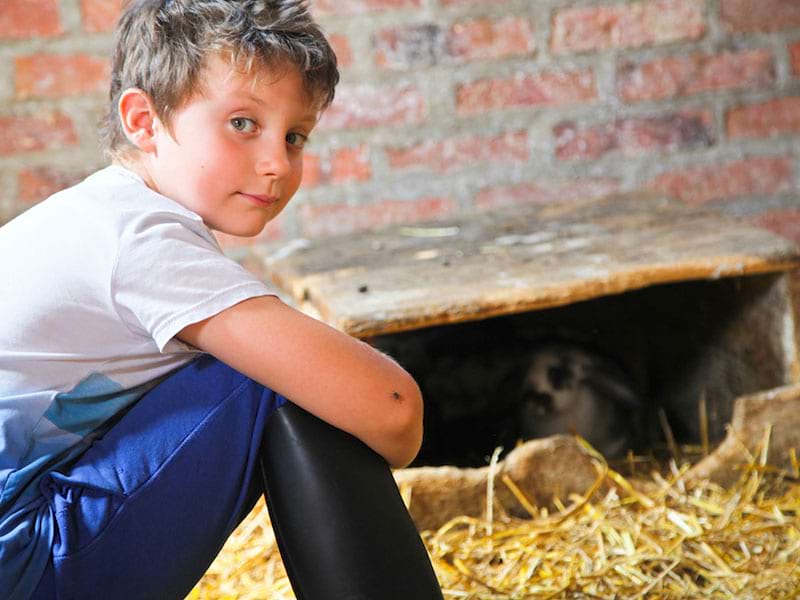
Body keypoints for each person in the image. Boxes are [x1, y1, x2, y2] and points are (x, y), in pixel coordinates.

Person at [0, 1, 438, 598]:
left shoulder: (96, 216)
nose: (277, 163)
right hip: (18, 552)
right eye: (242, 123)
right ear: (144, 121)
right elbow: (392, 409)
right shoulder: (140, 241)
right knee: (287, 376)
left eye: (295, 135)